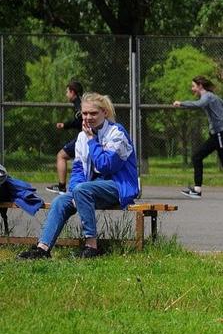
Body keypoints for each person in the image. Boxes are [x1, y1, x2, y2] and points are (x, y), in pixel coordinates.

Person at [17, 93, 139, 259]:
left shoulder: (117, 133)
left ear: (104, 112)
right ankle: (42, 248)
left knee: (82, 189)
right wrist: (74, 191)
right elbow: (78, 171)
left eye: (93, 113)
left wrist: (91, 140)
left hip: (118, 186)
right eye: (85, 113)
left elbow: (106, 165)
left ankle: (92, 246)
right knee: (61, 200)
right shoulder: (82, 137)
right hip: (88, 189)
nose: (88, 117)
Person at [46, 81, 84, 194]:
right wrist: (66, 125)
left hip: (84, 138)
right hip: (88, 137)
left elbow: (80, 120)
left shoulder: (78, 104)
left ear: (73, 92)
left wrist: (65, 125)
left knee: (61, 156)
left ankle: (62, 187)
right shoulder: (82, 102)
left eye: (67, 92)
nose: (66, 94)